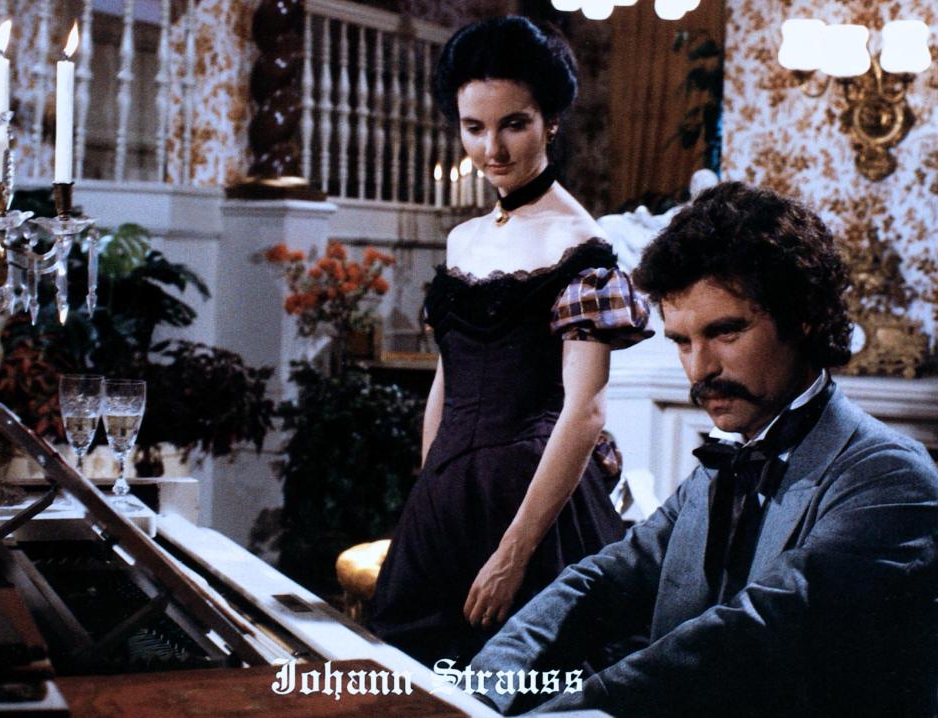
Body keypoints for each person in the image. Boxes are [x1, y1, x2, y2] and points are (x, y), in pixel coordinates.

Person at [467, 181, 938, 716]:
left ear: (802, 317)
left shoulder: (893, 480)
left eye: (726, 333)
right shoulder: (721, 466)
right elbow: (601, 580)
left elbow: (744, 639)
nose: (700, 369)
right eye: (682, 342)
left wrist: (558, 713)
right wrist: (482, 689)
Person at [367, 16, 652, 667]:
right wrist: (429, 489)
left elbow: (585, 411)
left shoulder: (580, 244)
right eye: (474, 127)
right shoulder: (463, 239)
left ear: (550, 121)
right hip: (448, 496)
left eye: (513, 124)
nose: (491, 148)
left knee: (522, 679)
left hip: (531, 502)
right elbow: (446, 381)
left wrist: (513, 552)